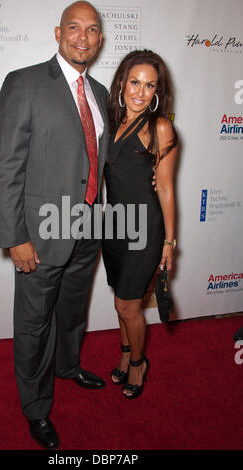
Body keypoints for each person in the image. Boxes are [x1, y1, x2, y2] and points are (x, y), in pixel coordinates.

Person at [0, 1, 109, 449]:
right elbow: (6, 167)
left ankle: (67, 364)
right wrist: (15, 236)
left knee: (72, 312)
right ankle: (37, 407)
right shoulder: (24, 83)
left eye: (92, 29)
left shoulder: (99, 92)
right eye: (74, 28)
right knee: (34, 322)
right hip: (39, 235)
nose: (83, 36)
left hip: (89, 229)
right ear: (58, 33)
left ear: (100, 39)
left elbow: (98, 162)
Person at [102, 50, 178, 399]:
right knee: (120, 301)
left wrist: (170, 243)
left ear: (157, 92)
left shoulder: (159, 127)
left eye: (150, 86)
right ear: (122, 82)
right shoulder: (110, 119)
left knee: (127, 306)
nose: (140, 92)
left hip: (145, 229)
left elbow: (164, 187)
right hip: (114, 226)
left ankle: (137, 364)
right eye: (135, 82)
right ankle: (123, 354)